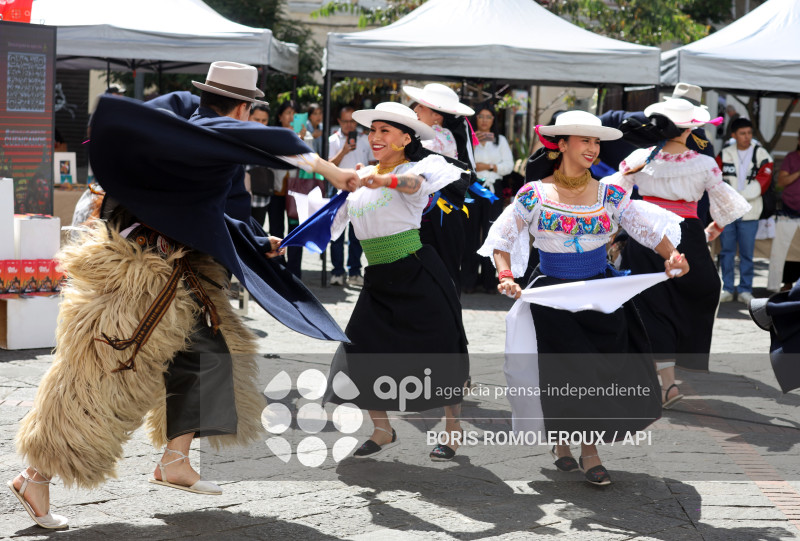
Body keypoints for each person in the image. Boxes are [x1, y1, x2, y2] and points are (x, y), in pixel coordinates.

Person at [8, 61, 358, 530]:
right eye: (250, 111)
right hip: (137, 275)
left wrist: (259, 242)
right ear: (240, 106)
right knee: (106, 374)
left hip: (183, 275)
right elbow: (254, 145)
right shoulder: (190, 133)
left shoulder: (211, 142)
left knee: (211, 355)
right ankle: (34, 476)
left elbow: (220, 215)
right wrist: (326, 168)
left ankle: (174, 459)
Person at [479, 110, 689, 486]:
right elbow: (502, 236)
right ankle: (573, 446)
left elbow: (642, 226)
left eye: (596, 141)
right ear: (561, 145)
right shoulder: (534, 194)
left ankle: (587, 446)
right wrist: (506, 274)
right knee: (564, 375)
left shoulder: (610, 193)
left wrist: (671, 255)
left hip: (601, 294)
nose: (593, 148)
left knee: (600, 372)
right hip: (553, 296)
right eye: (584, 140)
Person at [324, 102, 469, 461]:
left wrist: (384, 178)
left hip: (418, 272)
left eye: (384, 131)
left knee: (442, 353)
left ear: (406, 138)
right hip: (379, 278)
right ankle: (382, 429)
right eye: (373, 131)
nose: (375, 137)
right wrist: (286, 243)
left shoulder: (419, 168)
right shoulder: (360, 176)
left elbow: (414, 186)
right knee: (359, 352)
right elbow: (329, 221)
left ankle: (453, 430)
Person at [612, 88, 751, 409]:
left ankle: (661, 381)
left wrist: (619, 230)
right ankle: (668, 380)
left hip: (646, 231)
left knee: (650, 304)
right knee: (701, 291)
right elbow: (724, 209)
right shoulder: (703, 163)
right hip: (685, 235)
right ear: (688, 129)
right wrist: (709, 231)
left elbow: (613, 197)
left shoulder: (639, 158)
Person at [403, 83, 476, 292]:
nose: (415, 110)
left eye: (421, 107)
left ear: (437, 116)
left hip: (436, 212)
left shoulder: (436, 136)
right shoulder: (429, 136)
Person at [716, 117, 774, 304]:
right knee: (726, 252)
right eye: (742, 133)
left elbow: (763, 181)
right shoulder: (724, 154)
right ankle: (727, 288)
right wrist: (734, 197)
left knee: (747, 254)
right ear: (733, 135)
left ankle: (745, 289)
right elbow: (716, 179)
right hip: (729, 212)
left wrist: (738, 196)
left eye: (749, 133)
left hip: (750, 213)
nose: (747, 137)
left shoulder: (762, 153)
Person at [461, 104, 513, 293]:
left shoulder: (500, 140)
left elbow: (508, 165)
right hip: (473, 188)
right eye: (481, 116)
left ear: (493, 120)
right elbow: (463, 162)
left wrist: (489, 166)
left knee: (493, 233)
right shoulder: (469, 139)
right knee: (471, 234)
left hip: (493, 190)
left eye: (488, 117)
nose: (484, 120)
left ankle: (490, 281)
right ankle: (468, 280)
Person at [327, 104, 375, 286]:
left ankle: (354, 271)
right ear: (339, 122)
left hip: (360, 189)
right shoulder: (333, 140)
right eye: (345, 122)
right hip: (338, 189)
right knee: (336, 233)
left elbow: (372, 163)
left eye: (352, 122)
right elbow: (328, 165)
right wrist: (344, 151)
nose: (349, 126)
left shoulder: (365, 140)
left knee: (357, 233)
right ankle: (337, 272)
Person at [268, 100, 307, 277]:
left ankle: (294, 273)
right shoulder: (273, 135)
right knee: (276, 231)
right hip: (275, 191)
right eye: (288, 113)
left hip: (297, 192)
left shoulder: (307, 137)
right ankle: (279, 270)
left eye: (295, 113)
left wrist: (302, 141)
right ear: (280, 116)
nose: (291, 117)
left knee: (296, 232)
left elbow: (312, 163)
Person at [768, 129, 800, 292]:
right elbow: (781, 182)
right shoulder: (791, 158)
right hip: (790, 210)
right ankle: (787, 283)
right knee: (787, 250)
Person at [248, 103, 272, 226]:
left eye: (264, 120)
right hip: (239, 198)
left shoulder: (271, 139)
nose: (260, 123)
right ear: (248, 116)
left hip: (261, 199)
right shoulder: (239, 134)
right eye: (256, 119)